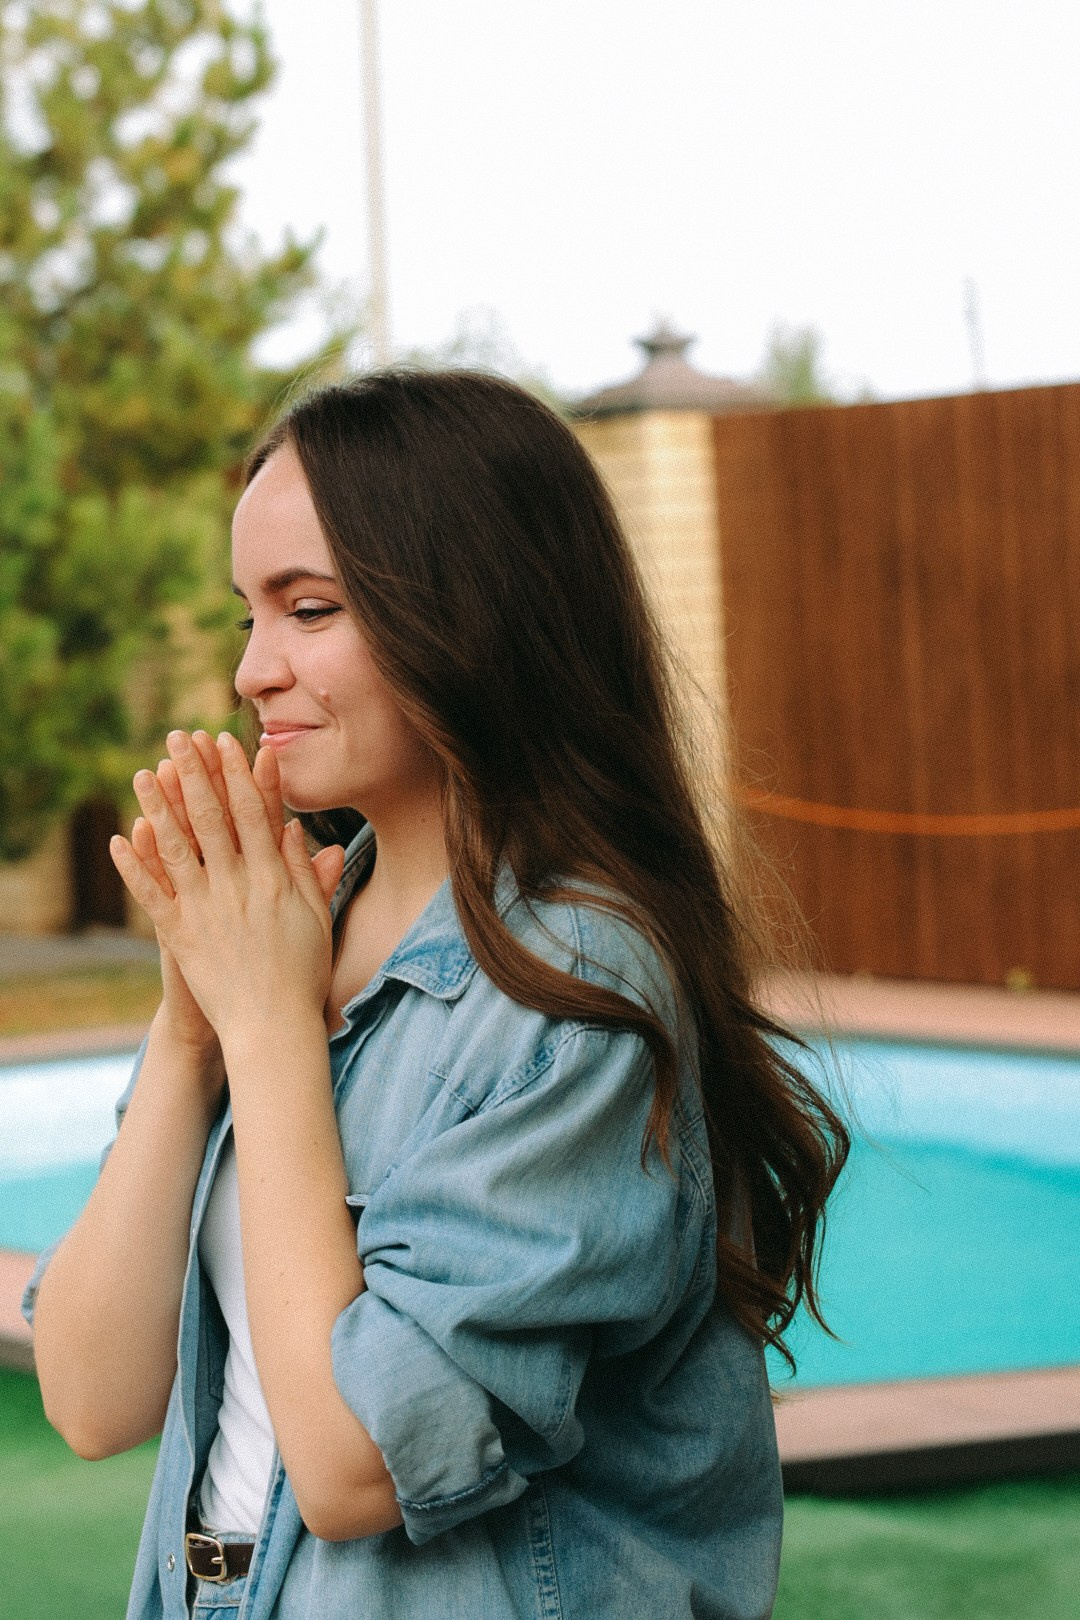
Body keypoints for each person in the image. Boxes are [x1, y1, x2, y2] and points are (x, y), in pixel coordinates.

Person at [25, 371, 847, 1620]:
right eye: (247, 614)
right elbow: (92, 1399)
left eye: (308, 610)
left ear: (472, 614)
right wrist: (195, 1028)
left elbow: (358, 1464)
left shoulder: (574, 988)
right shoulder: (294, 933)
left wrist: (265, 1033)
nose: (253, 670)